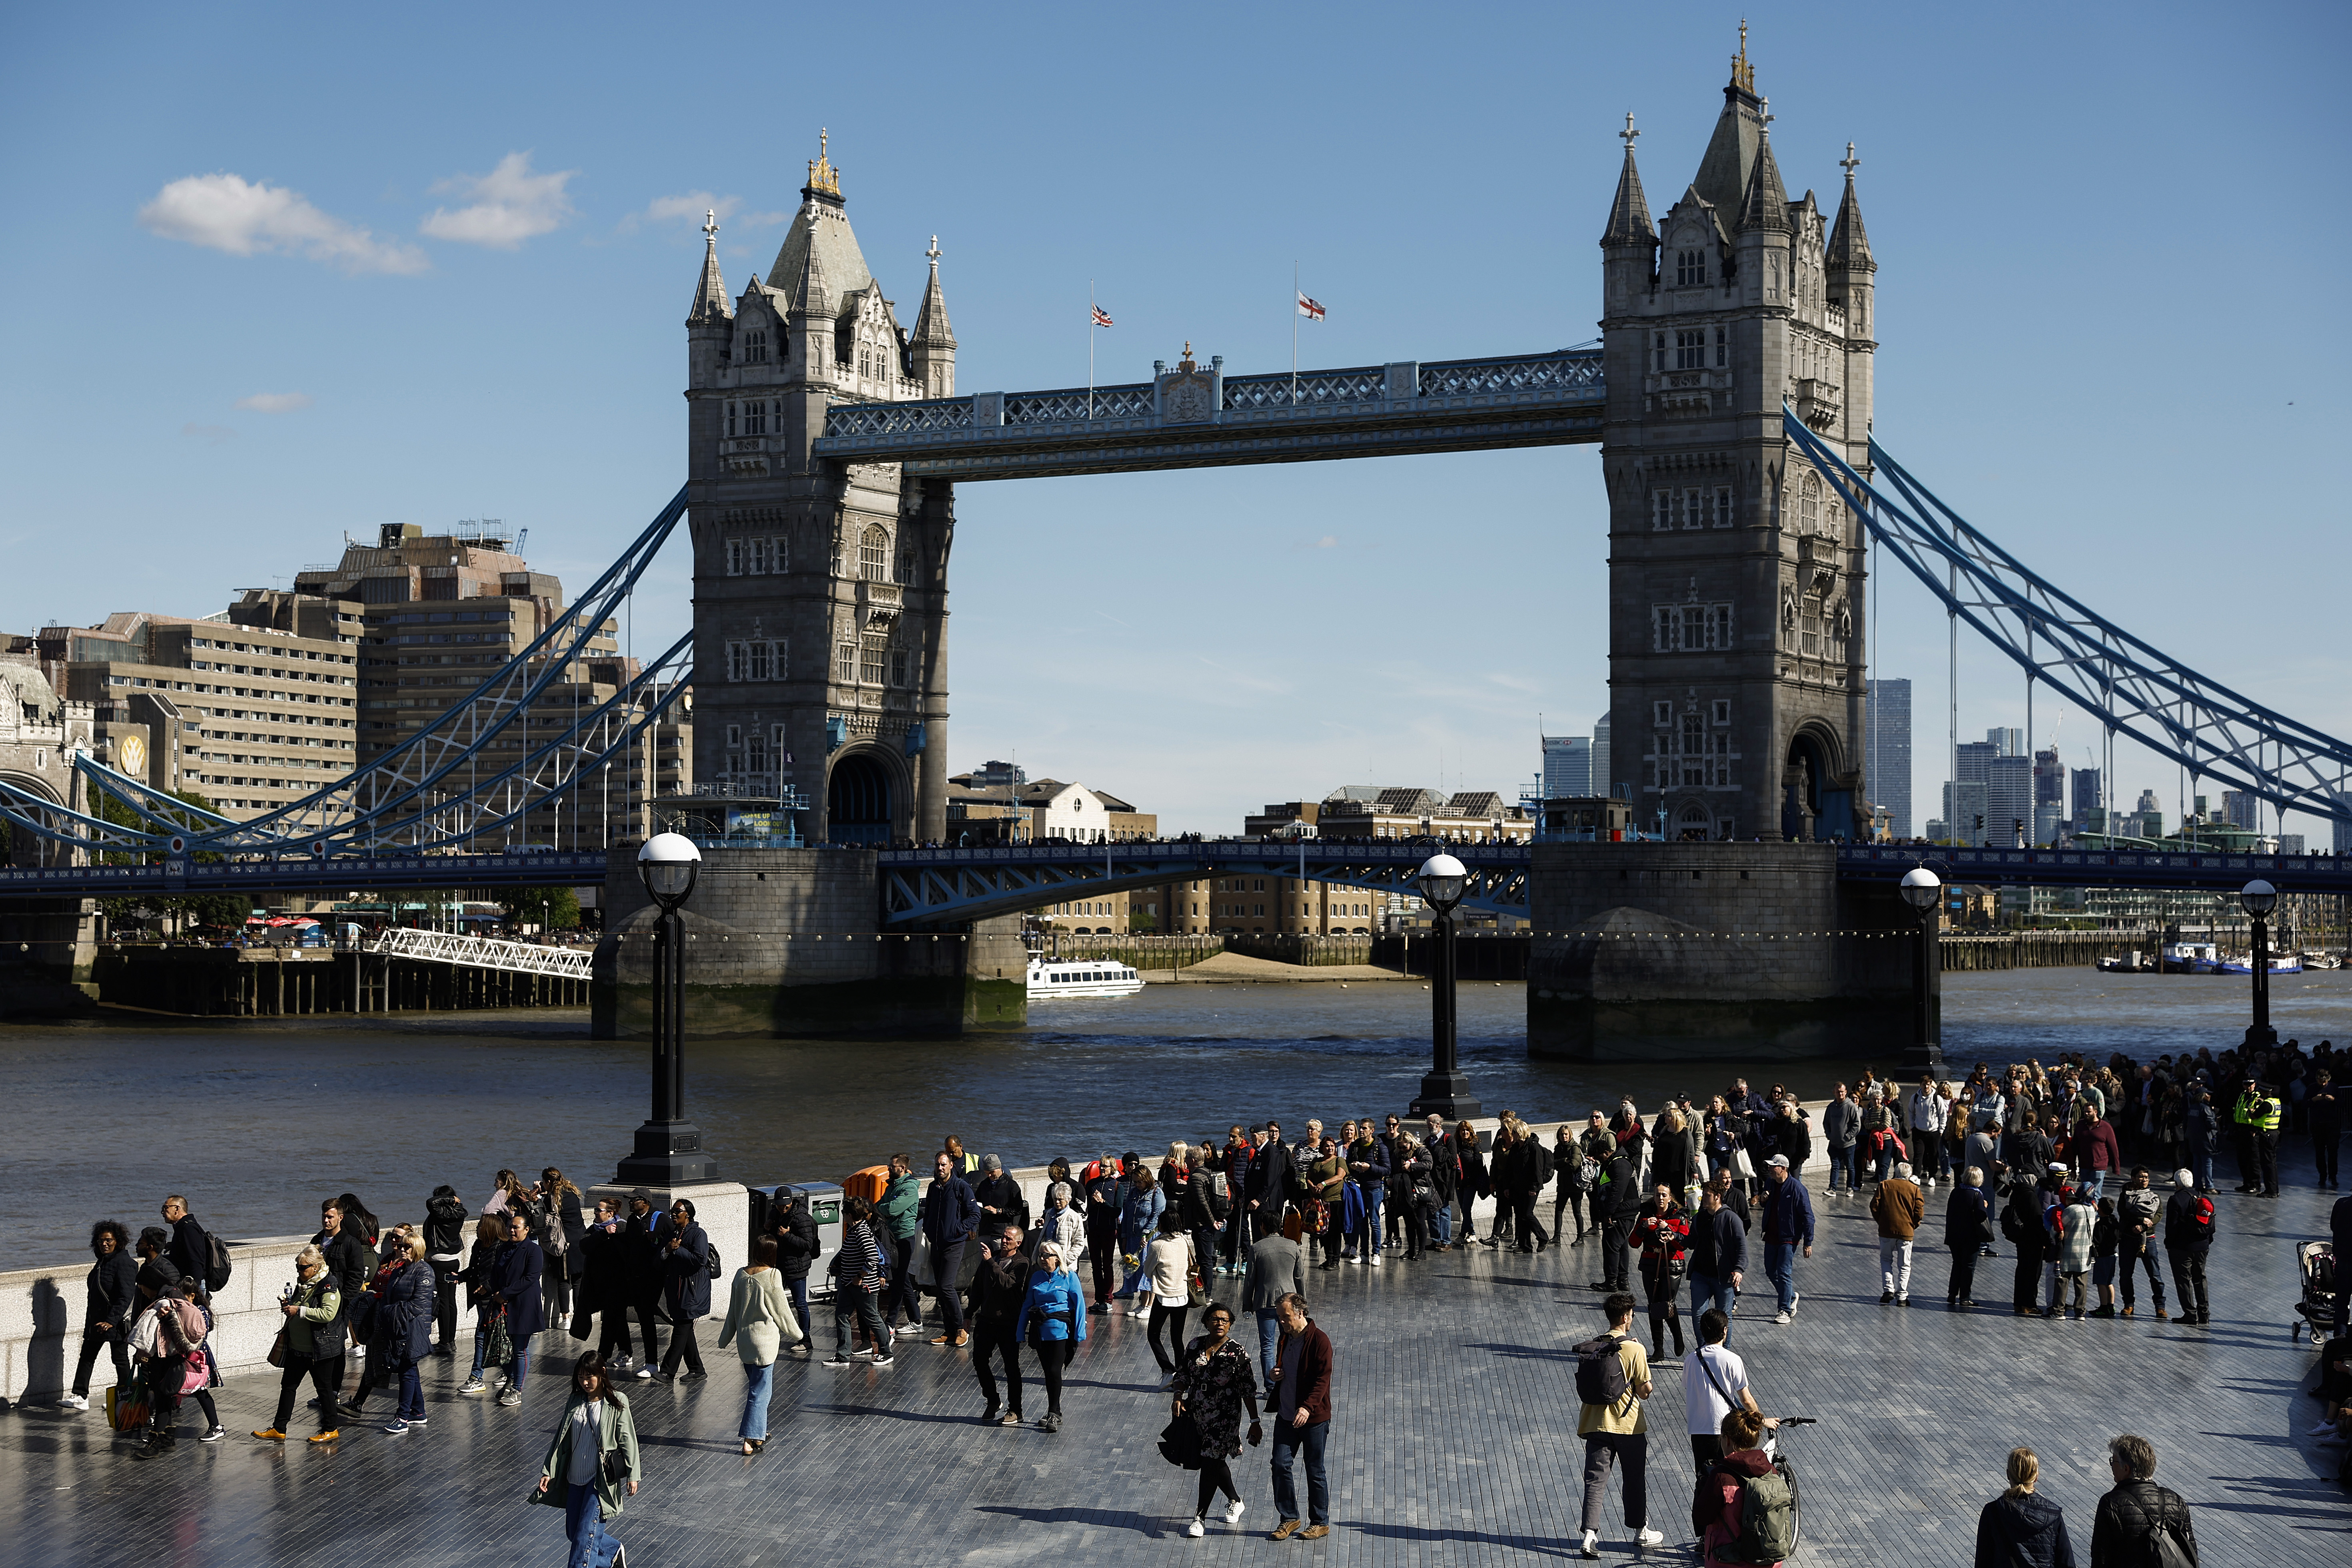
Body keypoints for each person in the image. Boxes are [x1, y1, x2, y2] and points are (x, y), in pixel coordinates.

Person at [1577, 1292, 1664, 1560]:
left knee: (1595, 1481)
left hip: (1596, 1424)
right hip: (1629, 1427)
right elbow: (1645, 1391)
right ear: (1626, 1317)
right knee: (1634, 1479)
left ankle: (1590, 1536)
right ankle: (1640, 1530)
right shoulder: (1635, 1349)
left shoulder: (1594, 1347)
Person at [533, 1352, 640, 1568]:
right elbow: (560, 1440)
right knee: (575, 1532)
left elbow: (628, 1438)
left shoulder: (617, 1401)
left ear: (602, 1373)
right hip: (575, 1476)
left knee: (584, 1538)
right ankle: (611, 1552)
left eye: (589, 1377)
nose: (584, 1382)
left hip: (599, 1480)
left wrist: (633, 1475)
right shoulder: (575, 1400)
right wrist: (548, 1471)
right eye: (581, 1377)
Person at [1172, 1301, 1262, 1537]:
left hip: (1225, 1417)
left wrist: (1255, 1423)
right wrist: (1179, 1395)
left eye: (1225, 1320)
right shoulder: (1194, 1346)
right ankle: (1235, 1499)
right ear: (1206, 1322)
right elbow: (1182, 1374)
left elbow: (1248, 1390)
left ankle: (1199, 1517)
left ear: (1231, 1324)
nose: (1220, 1323)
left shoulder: (1237, 1353)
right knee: (1211, 1460)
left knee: (1211, 1460)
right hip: (1197, 1413)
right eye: (1215, 1319)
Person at [715, 1235, 801, 1455]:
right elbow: (782, 1312)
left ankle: (760, 1432)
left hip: (745, 1343)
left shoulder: (740, 1274)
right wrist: (799, 1335)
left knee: (758, 1389)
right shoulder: (773, 1275)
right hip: (765, 1344)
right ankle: (750, 1438)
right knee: (759, 1392)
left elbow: (732, 1312)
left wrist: (725, 1338)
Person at [254, 1243, 345, 1444]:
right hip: (298, 1348)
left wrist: (299, 1311)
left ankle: (331, 1429)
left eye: (303, 1268)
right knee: (288, 1386)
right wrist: (289, 1307)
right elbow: (298, 1305)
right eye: (298, 1267)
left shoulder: (329, 1286)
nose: (300, 1271)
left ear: (315, 1267)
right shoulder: (303, 1284)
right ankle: (279, 1429)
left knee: (324, 1389)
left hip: (319, 1349)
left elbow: (328, 1314)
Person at [1266, 1292, 1332, 1541]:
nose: (1281, 1322)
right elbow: (1283, 1367)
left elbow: (1322, 1380)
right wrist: (1275, 1374)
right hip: (1286, 1415)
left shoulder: (1319, 1341)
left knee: (1314, 1469)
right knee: (1280, 1464)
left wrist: (1307, 1407)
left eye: (1285, 1317)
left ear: (1300, 1313)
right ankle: (1289, 1518)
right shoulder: (1286, 1338)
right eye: (1279, 1318)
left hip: (1313, 1418)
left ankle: (1319, 1522)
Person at [1693, 1408, 1784, 1568]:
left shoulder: (1722, 1477)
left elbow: (1702, 1517)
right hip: (1768, 1561)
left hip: (1729, 1560)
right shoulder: (1771, 1471)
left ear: (1727, 1440)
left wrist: (1702, 1485)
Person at [2090, 1433, 2196, 1568]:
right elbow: (2191, 1551)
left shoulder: (2111, 1503)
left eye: (2114, 1461)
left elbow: (2102, 1557)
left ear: (2126, 1468)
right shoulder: (2176, 1501)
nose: (2112, 1466)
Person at [1683, 1308, 1771, 1471]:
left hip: (1698, 1429)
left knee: (1704, 1479)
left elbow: (1690, 1388)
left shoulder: (1691, 1359)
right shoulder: (1732, 1360)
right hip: (1724, 1429)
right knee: (1728, 1479)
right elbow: (1746, 1400)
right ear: (1725, 1331)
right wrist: (1762, 1421)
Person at [64, 1219, 136, 1413]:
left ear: (118, 1241)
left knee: (120, 1359)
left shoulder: (125, 1263)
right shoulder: (102, 1262)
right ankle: (80, 1396)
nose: (104, 1244)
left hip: (114, 1323)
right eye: (101, 1240)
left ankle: (125, 1398)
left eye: (109, 1240)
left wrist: (111, 1321)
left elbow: (126, 1297)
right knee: (87, 1356)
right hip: (96, 1322)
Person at [1015, 1241, 1087, 1432]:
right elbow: (1027, 1305)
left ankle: (1052, 1413)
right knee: (1049, 1372)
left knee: (1055, 1371)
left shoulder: (1069, 1277)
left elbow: (1079, 1306)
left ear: (1057, 1257)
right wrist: (1020, 1331)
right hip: (1040, 1332)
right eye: (1040, 1255)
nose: (1042, 1258)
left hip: (1060, 1332)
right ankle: (1057, 1410)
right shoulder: (1036, 1277)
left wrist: (1080, 1333)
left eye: (1047, 1255)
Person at [373, 1232, 435, 1435]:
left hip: (414, 1327)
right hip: (399, 1326)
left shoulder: (424, 1271)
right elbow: (388, 1296)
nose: (402, 1249)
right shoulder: (399, 1270)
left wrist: (390, 1312)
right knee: (408, 1368)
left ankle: (402, 1417)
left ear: (417, 1248)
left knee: (407, 1369)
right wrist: (385, 1310)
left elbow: (419, 1305)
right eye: (401, 1246)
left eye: (407, 1247)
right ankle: (418, 1412)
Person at [1974, 1446, 2076, 1568]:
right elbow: (2066, 1563)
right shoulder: (2053, 1515)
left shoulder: (1993, 1512)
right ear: (2036, 1477)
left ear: (2008, 1475)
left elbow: (1983, 1562)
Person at [970, 1222, 1029, 1425]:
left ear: (1018, 1243)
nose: (1004, 1241)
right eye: (1003, 1237)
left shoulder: (1022, 1263)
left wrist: (990, 1263)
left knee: (1011, 1367)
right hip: (987, 1320)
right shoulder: (993, 1258)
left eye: (1009, 1239)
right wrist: (968, 1314)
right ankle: (993, 1399)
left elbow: (1007, 1284)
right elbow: (977, 1287)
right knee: (979, 1360)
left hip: (1008, 1323)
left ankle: (1016, 1410)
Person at [823, 1196, 892, 1369]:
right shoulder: (854, 1230)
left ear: (848, 1215)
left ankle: (886, 1352)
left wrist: (860, 1276)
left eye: (844, 1213)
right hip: (849, 1284)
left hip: (863, 1286)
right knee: (841, 1315)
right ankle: (843, 1355)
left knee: (873, 1318)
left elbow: (873, 1258)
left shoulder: (862, 1232)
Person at [488, 1210, 547, 1405]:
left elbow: (530, 1278)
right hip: (503, 1304)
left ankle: (517, 1390)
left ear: (527, 1230)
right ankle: (511, 1378)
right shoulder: (503, 1248)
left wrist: (505, 1294)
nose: (511, 1230)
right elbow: (496, 1273)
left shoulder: (533, 1250)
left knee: (520, 1349)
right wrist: (497, 1293)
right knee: (501, 1347)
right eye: (510, 1227)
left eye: (516, 1227)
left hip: (524, 1306)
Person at [922, 1150, 980, 1346]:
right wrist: (928, 1229)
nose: (940, 1168)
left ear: (951, 1166)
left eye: (944, 1165)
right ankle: (948, 1331)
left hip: (954, 1244)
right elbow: (929, 1211)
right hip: (936, 1243)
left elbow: (975, 1215)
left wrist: (958, 1230)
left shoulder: (961, 1187)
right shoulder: (933, 1188)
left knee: (947, 1286)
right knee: (941, 1288)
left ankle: (960, 1329)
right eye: (938, 1164)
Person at [1243, 1210, 1307, 1381]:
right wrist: (1302, 1304)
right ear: (1280, 1225)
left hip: (1264, 1304)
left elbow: (1250, 1281)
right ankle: (1289, 1379)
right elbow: (1299, 1277)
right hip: (1289, 1304)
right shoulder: (1293, 1246)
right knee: (1289, 1342)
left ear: (1263, 1227)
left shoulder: (1256, 1248)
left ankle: (1271, 1386)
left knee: (1267, 1346)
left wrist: (1247, 1306)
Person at [653, 1198, 711, 1380]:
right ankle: (697, 1369)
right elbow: (658, 1260)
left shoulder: (698, 1234)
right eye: (672, 1210)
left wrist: (678, 1250)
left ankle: (668, 1372)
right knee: (685, 1328)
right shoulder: (671, 1235)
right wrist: (668, 1250)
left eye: (678, 1211)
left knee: (681, 1328)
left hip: (693, 1290)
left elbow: (700, 1259)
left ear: (688, 1214)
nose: (673, 1214)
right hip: (674, 1289)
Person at [1631, 1183, 1692, 1358]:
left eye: (1664, 1195)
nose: (1661, 1198)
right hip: (1650, 1263)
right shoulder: (1646, 1215)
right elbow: (1634, 1243)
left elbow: (1684, 1244)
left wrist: (1669, 1230)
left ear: (1670, 1197)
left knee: (1667, 1303)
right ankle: (1658, 1349)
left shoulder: (1679, 1216)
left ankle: (1678, 1338)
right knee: (1654, 1304)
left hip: (1672, 1264)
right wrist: (1644, 1227)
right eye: (1658, 1195)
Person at [1757, 1155, 1814, 1324]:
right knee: (1770, 1271)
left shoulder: (1797, 1189)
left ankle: (1785, 1310)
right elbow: (1764, 1206)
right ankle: (1790, 1296)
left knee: (1783, 1272)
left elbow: (1808, 1216)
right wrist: (1763, 1200)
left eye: (1773, 1167)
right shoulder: (1769, 1184)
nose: (1769, 1169)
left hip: (1789, 1238)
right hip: (1772, 1236)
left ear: (1783, 1169)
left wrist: (1808, 1242)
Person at [1685, 1186, 1746, 1343]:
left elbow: (1742, 1246)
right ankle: (1703, 1351)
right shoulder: (1700, 1218)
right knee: (1698, 1315)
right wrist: (1673, 1235)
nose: (1703, 1198)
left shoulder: (1731, 1218)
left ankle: (1724, 1352)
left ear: (1718, 1197)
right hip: (1700, 1275)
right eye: (1703, 1195)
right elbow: (1691, 1242)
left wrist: (1739, 1270)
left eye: (1707, 1195)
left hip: (1724, 1278)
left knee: (1724, 1318)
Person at [1144, 1210, 1198, 1379]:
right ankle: (1183, 1375)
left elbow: (1147, 1271)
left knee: (1153, 1335)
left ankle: (1168, 1370)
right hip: (1182, 1295)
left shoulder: (1157, 1245)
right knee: (1177, 1338)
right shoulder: (1183, 1241)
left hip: (1163, 1297)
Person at [460, 1214, 509, 1392]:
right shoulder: (478, 1246)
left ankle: (477, 1377)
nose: (477, 1228)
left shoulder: (501, 1248)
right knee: (491, 1338)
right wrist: (460, 1277)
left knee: (483, 1337)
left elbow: (503, 1274)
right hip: (480, 1299)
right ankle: (508, 1372)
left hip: (494, 1300)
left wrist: (487, 1287)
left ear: (488, 1228)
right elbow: (474, 1269)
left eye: (480, 1225)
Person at [768, 1188, 820, 1352]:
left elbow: (807, 1245)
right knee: (773, 1301)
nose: (782, 1208)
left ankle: (806, 1340)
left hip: (797, 1268)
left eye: (785, 1205)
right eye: (779, 1205)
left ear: (791, 1201)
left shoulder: (801, 1219)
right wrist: (768, 1228)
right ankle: (773, 1335)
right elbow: (773, 1238)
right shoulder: (776, 1214)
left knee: (800, 1304)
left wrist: (787, 1236)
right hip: (781, 1266)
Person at [2114, 1167, 2169, 1321]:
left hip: (2149, 1239)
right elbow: (2123, 1213)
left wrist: (2144, 1227)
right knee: (2126, 1275)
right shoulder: (2125, 1196)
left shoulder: (2154, 1197)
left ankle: (2160, 1307)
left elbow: (2158, 1215)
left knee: (2155, 1275)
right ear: (2133, 1178)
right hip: (2128, 1239)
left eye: (2146, 1177)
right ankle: (2128, 1304)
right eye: (2140, 1177)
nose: (2144, 1180)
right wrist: (2139, 1221)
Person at [879, 1153, 923, 1337]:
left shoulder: (910, 1188)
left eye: (892, 1166)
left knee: (898, 1282)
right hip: (892, 1238)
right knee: (902, 1280)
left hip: (904, 1239)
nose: (889, 1169)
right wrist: (881, 1208)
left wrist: (881, 1209)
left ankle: (890, 1324)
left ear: (903, 1169)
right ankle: (917, 1321)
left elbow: (892, 1208)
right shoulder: (892, 1186)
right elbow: (881, 1205)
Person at [1871, 1160, 1926, 1306]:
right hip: (1906, 1231)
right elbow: (1919, 1211)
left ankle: (1888, 1289)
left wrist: (1881, 1222)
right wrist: (1913, 1224)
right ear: (1910, 1175)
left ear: (1896, 1172)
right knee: (1905, 1264)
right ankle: (1902, 1296)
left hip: (1886, 1230)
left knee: (1886, 1259)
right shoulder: (1914, 1189)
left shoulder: (1884, 1185)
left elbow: (1874, 1206)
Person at [424, 1184, 469, 1357]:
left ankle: (444, 1342)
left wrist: (449, 1200)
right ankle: (450, 1341)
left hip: (440, 1262)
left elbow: (431, 1202)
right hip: (453, 1262)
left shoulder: (442, 1212)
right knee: (450, 1301)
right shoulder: (459, 1213)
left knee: (443, 1301)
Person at [1116, 1164, 1166, 1313]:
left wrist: (1145, 1233)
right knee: (1135, 1270)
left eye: (1140, 1182)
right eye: (1135, 1182)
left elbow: (1157, 1216)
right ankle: (1143, 1303)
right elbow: (1127, 1216)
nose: (1137, 1185)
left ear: (1147, 1179)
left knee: (1148, 1271)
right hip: (1133, 1237)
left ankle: (1149, 1306)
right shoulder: (1133, 1193)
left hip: (1149, 1238)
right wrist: (1124, 1236)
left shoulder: (1157, 1193)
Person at [1592, 1143, 1639, 1294]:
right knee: (1621, 1246)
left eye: (1598, 1156)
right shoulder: (1616, 1162)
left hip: (1621, 1213)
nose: (1597, 1160)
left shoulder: (1620, 1164)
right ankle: (1622, 1282)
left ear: (1606, 1152)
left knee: (1611, 1247)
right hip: (1624, 1211)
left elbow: (1617, 1192)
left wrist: (1608, 1214)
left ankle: (1611, 1282)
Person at [1945, 1167, 1994, 1308]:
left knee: (1957, 1264)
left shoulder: (1956, 1191)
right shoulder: (1977, 1195)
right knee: (1969, 1267)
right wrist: (1984, 1206)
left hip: (1954, 1235)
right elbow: (1981, 1216)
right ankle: (1965, 1297)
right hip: (1970, 1237)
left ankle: (1952, 1294)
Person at [1344, 1121, 1389, 1266]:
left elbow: (1387, 1169)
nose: (1361, 1130)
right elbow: (1348, 1164)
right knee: (1362, 1221)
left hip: (1374, 1188)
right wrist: (1352, 1166)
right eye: (1361, 1128)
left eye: (1364, 1128)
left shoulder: (1380, 1147)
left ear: (1372, 1131)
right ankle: (1364, 1254)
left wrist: (1370, 1167)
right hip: (1359, 1188)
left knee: (1374, 1222)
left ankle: (1376, 1253)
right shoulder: (1355, 1146)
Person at [1083, 1151, 1125, 1307]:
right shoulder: (1091, 1184)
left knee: (1107, 1265)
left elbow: (1117, 1211)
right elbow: (1089, 1208)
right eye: (1100, 1166)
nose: (1102, 1168)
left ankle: (1108, 1299)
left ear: (1112, 1168)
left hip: (1109, 1229)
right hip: (1094, 1229)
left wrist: (1102, 1202)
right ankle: (1099, 1298)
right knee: (1096, 1266)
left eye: (1105, 1166)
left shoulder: (1117, 1186)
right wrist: (1094, 1203)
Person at [1909, 1077, 1950, 1189]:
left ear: (1931, 1085)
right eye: (1924, 1084)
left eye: (1928, 1084)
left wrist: (1941, 1130)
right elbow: (1911, 1112)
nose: (1926, 1087)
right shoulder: (1915, 1097)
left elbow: (1943, 1115)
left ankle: (1932, 1177)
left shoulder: (1937, 1098)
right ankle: (1916, 1175)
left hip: (1934, 1132)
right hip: (1919, 1131)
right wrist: (1913, 1126)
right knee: (1918, 1154)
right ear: (1920, 1085)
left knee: (1933, 1155)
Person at [1821, 1083, 1861, 1194]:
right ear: (1834, 1092)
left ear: (1846, 1092)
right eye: (1838, 1092)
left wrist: (1848, 1136)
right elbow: (1826, 1123)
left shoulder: (1851, 1106)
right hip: (1834, 1144)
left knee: (1850, 1167)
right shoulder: (1831, 1107)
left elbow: (1857, 1125)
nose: (1841, 1094)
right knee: (1835, 1166)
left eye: (1843, 1091)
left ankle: (1850, 1188)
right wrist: (1829, 1135)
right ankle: (1832, 1188)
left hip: (1848, 1144)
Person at [2310, 1067, 2341, 1190]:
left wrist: (2334, 1100)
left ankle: (2333, 1177)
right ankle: (2322, 1176)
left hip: (2332, 1124)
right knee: (2320, 1152)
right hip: (2317, 1124)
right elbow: (2304, 1104)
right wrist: (2314, 1100)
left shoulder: (2334, 1087)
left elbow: (2342, 1103)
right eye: (2320, 1082)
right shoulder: (2312, 1088)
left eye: (2325, 1082)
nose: (2323, 1084)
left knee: (2333, 1151)